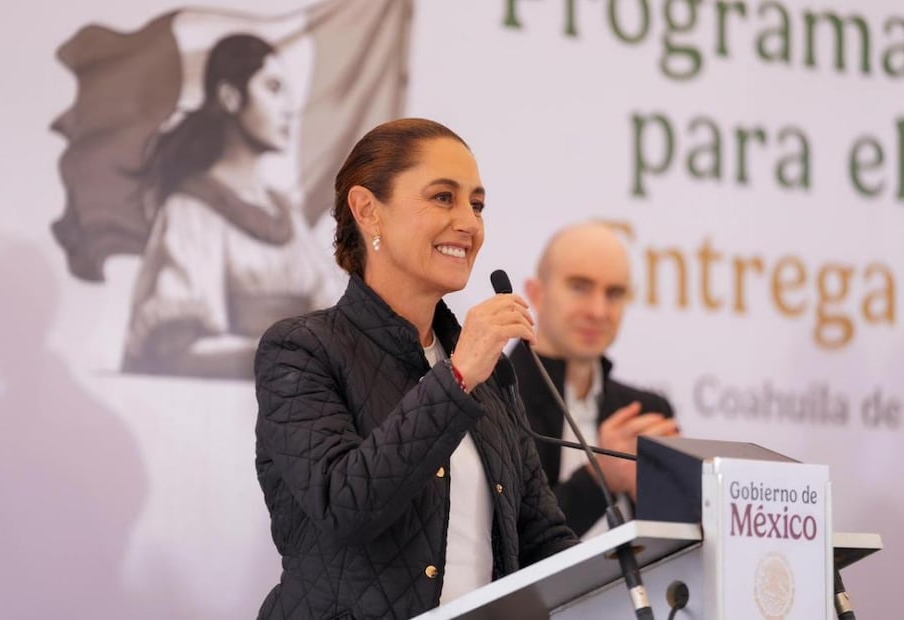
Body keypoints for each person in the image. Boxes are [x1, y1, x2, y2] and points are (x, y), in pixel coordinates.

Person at [254, 118, 578, 619]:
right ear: (368, 211)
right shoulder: (301, 350)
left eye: (477, 204)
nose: (469, 223)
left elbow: (540, 537)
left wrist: (638, 568)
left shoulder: (485, 373)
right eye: (443, 198)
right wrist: (459, 375)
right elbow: (346, 506)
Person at [121, 33, 339, 380]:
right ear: (230, 97)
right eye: (273, 88)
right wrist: (291, 358)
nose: (288, 108)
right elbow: (177, 348)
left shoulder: (286, 216)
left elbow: (330, 314)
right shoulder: (191, 211)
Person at [511, 221, 679, 539]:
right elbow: (509, 543)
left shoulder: (648, 412)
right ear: (536, 293)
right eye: (580, 287)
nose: (599, 310)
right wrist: (599, 476)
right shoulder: (492, 397)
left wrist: (664, 496)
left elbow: (682, 546)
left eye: (614, 293)